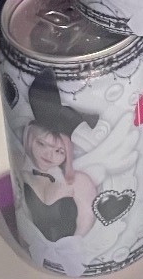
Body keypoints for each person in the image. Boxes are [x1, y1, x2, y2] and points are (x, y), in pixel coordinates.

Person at [19, 69, 99, 243]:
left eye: (59, 151)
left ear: (67, 154)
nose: (49, 154)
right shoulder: (24, 175)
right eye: (41, 144)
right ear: (30, 139)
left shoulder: (79, 181)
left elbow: (86, 220)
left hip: (71, 252)